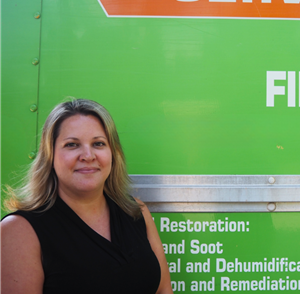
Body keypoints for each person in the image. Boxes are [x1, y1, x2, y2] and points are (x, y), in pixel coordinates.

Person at [0, 98, 174, 294]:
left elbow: (163, 290)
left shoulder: (135, 210)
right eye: (72, 145)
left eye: (98, 143)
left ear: (113, 153)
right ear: (50, 155)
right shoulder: (19, 230)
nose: (88, 155)